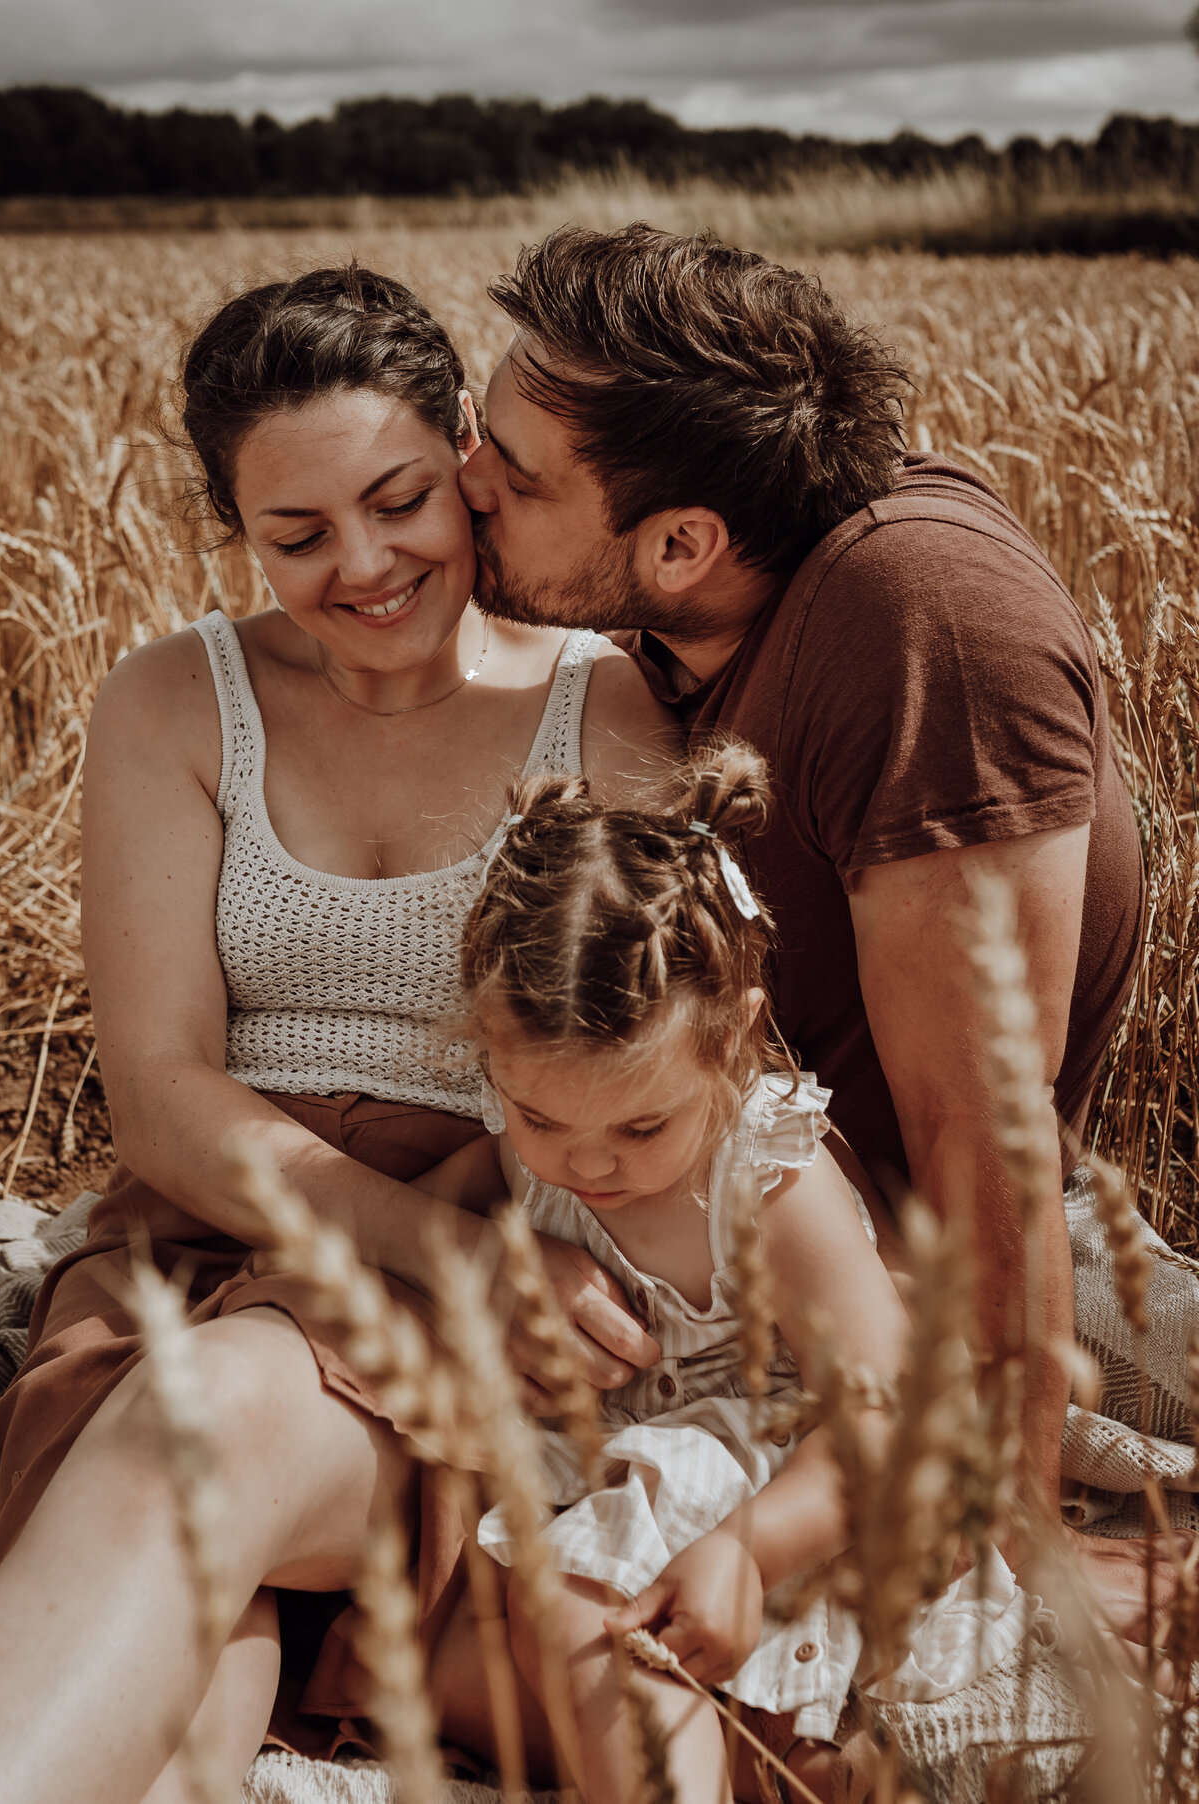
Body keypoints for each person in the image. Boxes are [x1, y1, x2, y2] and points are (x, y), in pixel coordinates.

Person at [0, 264, 672, 1804]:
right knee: (193, 1659)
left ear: (468, 455)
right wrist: (442, 1251)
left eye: (400, 502)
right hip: (205, 1229)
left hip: (483, 1252)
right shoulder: (176, 701)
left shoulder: (605, 710)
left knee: (198, 1428)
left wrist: (481, 1258)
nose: (364, 566)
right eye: (297, 535)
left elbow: (647, 1058)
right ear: (236, 526)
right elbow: (160, 1090)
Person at [456, 223, 1151, 1615]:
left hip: (852, 1309)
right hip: (692, 1255)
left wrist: (1005, 1543)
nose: (465, 477)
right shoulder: (705, 611)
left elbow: (983, 1128)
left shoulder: (921, 620)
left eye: (517, 477)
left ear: (682, 543)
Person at [422, 744, 1043, 1804]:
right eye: (540, 1119)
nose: (588, 1163)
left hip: (789, 1506)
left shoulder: (766, 1177)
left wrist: (750, 1553)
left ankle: (732, 1752)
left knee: (579, 1610)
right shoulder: (529, 1142)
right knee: (442, 1664)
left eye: (641, 1126)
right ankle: (770, 1755)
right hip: (620, 1477)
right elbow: (433, 1221)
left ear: (734, 1040)